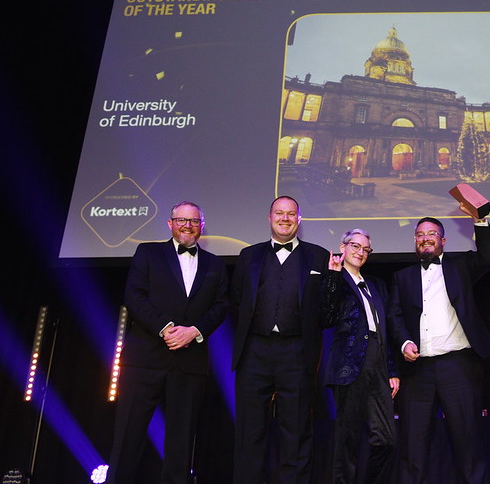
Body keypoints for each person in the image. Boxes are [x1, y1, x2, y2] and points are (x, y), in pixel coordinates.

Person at [108, 201, 229, 484]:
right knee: (128, 434)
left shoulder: (216, 264)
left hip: (190, 362)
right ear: (170, 223)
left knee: (181, 442)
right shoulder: (148, 252)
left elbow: (221, 305)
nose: (188, 226)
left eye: (194, 221)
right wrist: (166, 328)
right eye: (181, 220)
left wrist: (194, 331)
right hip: (145, 359)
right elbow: (134, 295)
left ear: (202, 225)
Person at [387, 202, 490, 484]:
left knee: (468, 440)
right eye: (420, 234)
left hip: (458, 366)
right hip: (418, 371)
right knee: (413, 443)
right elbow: (395, 316)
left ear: (443, 240)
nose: (425, 238)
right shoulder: (402, 277)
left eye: (432, 233)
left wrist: (479, 220)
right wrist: (403, 343)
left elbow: (487, 257)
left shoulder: (460, 266)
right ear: (415, 240)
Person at [230, 195, 330, 484]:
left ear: (299, 219)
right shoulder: (249, 255)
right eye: (279, 213)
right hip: (254, 351)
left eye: (290, 214)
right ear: (269, 217)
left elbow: (325, 306)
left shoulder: (318, 256)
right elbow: (238, 300)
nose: (284, 218)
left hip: (297, 351)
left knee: (296, 431)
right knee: (250, 431)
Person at [321, 229, 400, 484]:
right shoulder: (334, 279)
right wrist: (333, 276)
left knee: (386, 439)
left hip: (378, 364)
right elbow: (327, 317)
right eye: (355, 246)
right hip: (349, 363)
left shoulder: (375, 285)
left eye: (366, 249)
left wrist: (391, 369)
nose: (360, 252)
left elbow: (384, 330)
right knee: (348, 439)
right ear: (342, 247)